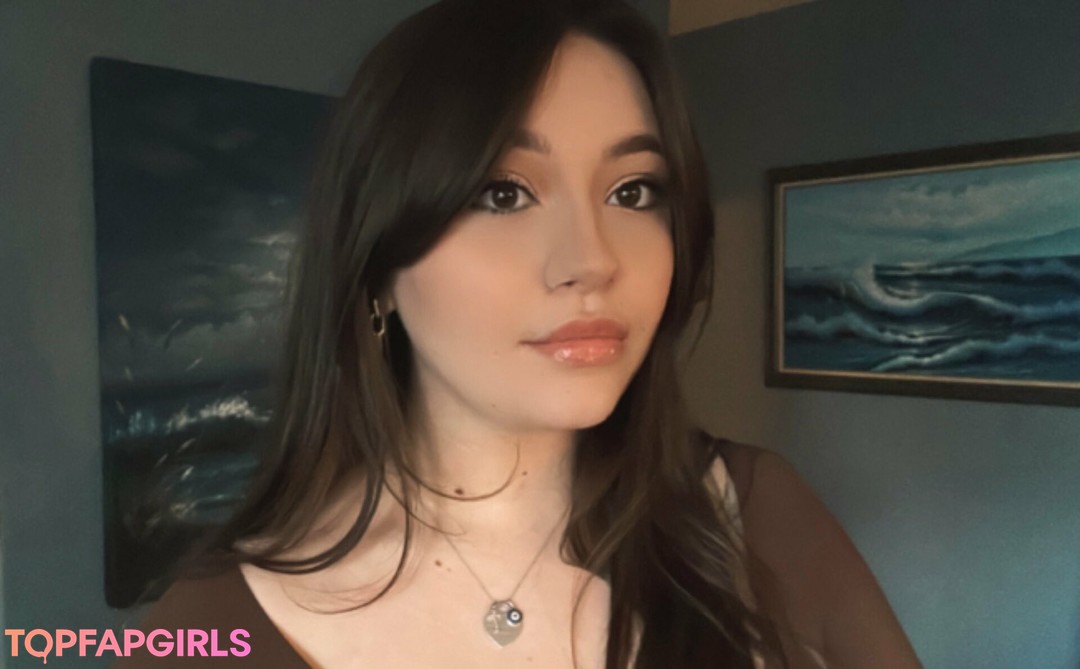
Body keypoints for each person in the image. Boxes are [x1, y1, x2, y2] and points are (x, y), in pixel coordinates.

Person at [115, 0, 923, 667]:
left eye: (634, 191)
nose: (591, 260)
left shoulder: (753, 515)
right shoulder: (210, 629)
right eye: (504, 193)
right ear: (378, 263)